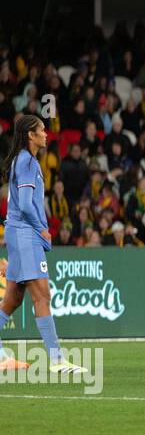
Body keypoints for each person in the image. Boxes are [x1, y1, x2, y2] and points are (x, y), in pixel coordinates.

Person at [0, 115, 85, 374]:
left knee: (12, 299)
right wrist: (42, 229)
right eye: (42, 130)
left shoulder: (25, 160)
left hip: (18, 232)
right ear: (30, 135)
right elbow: (25, 204)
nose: (46, 134)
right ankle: (58, 360)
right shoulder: (26, 161)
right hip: (25, 233)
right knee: (42, 296)